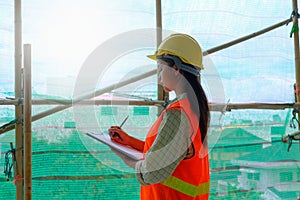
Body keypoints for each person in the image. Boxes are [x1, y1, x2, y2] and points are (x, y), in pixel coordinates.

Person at [108, 33, 210, 200]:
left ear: (176, 69)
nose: (159, 76)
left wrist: (125, 157)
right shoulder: (193, 109)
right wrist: (129, 141)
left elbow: (152, 172)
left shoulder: (178, 115)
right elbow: (169, 152)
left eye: (161, 68)